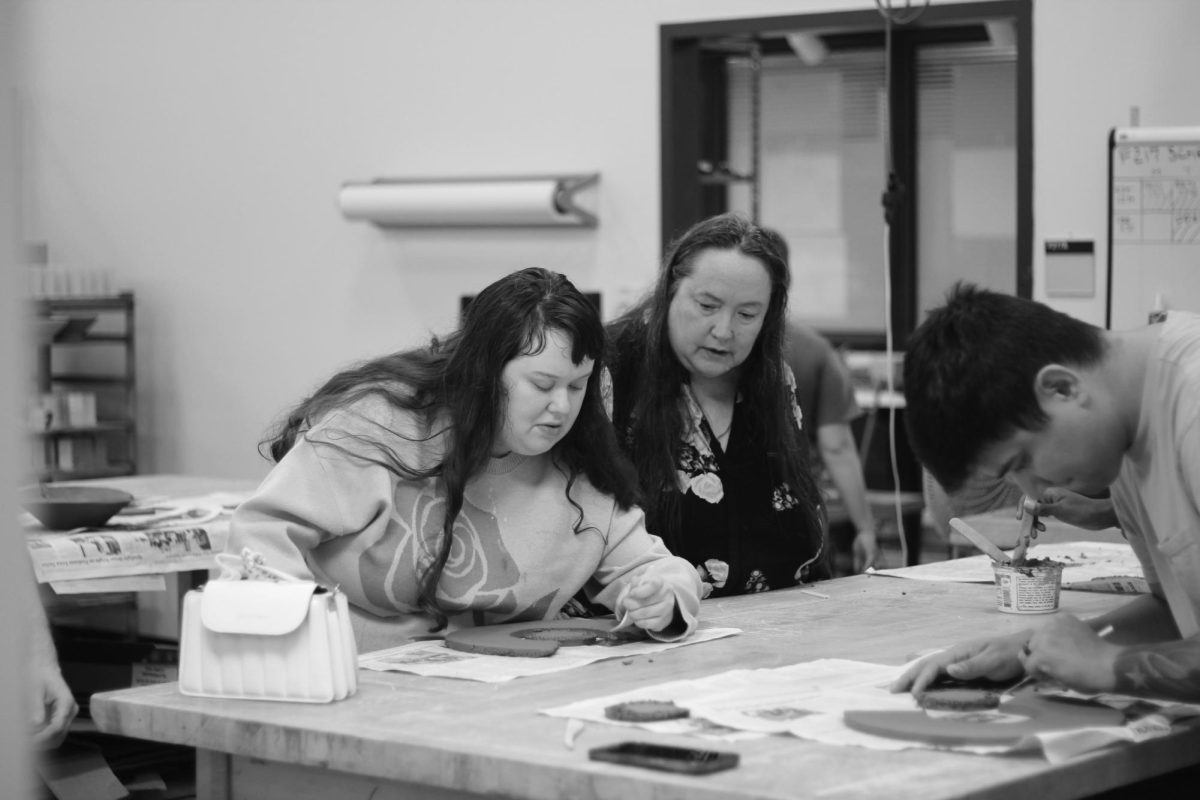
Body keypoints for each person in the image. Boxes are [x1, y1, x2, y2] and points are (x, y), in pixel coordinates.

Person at [227, 268, 702, 652]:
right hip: (350, 676)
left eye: (577, 387)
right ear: (485, 372)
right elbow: (261, 534)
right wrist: (302, 645)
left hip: (488, 693)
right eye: (542, 385)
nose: (562, 407)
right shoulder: (382, 425)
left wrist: (663, 599)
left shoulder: (580, 462)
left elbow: (653, 568)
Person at [893, 282, 1200, 702]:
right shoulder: (1126, 435)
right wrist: (1033, 651)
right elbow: (1178, 615)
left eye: (1021, 462)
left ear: (1061, 387)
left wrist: (1110, 666)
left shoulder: (1191, 402)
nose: (1033, 491)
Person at [605, 213, 828, 599]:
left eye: (746, 315)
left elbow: (803, 522)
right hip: (652, 635)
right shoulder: (612, 373)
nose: (724, 331)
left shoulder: (773, 380)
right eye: (707, 306)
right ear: (672, 288)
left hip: (785, 626)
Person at [784, 321, 880, 573]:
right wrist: (865, 528)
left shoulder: (707, 346)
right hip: (796, 517)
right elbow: (837, 446)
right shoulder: (814, 349)